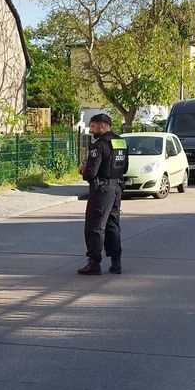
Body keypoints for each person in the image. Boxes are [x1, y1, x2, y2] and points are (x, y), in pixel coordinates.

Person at [77, 113, 127, 275]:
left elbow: (91, 173)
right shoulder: (120, 142)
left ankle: (94, 263)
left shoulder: (99, 145)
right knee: (113, 224)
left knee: (95, 226)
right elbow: (124, 167)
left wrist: (83, 170)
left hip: (102, 189)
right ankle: (116, 262)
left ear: (102, 125)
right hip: (117, 187)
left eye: (93, 126)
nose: (91, 130)